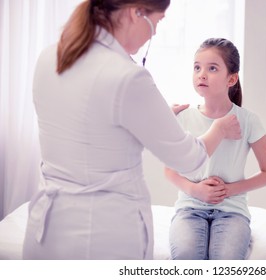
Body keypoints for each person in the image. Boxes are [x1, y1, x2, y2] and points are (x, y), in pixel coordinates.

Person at [22, 1, 242, 260]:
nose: (155, 32)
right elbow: (188, 159)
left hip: (47, 228)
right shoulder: (127, 76)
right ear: (136, 12)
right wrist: (218, 129)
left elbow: (92, 129)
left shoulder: (50, 56)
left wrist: (152, 119)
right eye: (158, 21)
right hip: (102, 236)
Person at [166, 38, 266, 260]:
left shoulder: (248, 121)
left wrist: (230, 190)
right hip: (189, 209)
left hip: (232, 212)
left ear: (232, 78)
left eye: (212, 68)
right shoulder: (182, 117)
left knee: (226, 260)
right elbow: (169, 171)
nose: (201, 74)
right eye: (197, 67)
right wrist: (196, 190)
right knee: (187, 254)